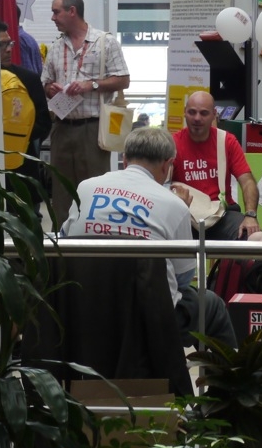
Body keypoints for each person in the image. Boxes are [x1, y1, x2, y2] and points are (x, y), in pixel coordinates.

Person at [61, 127, 237, 348]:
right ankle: (232, 371)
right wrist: (181, 210)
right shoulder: (174, 205)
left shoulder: (85, 188)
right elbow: (183, 280)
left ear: (125, 159)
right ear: (167, 165)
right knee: (212, 306)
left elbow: (65, 240)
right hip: (152, 318)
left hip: (84, 307)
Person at [41, 0, 130, 224]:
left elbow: (123, 80)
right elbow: (45, 82)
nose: (52, 18)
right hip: (61, 127)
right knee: (61, 192)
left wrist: (91, 85)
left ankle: (94, 237)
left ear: (72, 11)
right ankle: (62, 240)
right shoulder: (56, 46)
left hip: (93, 129)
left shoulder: (105, 42)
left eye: (56, 12)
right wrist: (51, 89)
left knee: (94, 190)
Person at [172, 91, 260, 241]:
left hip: (222, 216)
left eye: (204, 113)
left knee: (251, 236)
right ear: (184, 112)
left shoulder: (227, 141)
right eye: (192, 112)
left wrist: (250, 215)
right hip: (184, 216)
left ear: (214, 114)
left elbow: (247, 181)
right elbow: (158, 184)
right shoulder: (172, 144)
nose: (197, 118)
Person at [0, 22, 51, 211]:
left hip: (22, 169)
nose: (8, 50)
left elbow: (43, 122)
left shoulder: (28, 79)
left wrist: (18, 136)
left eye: (9, 43)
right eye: (2, 45)